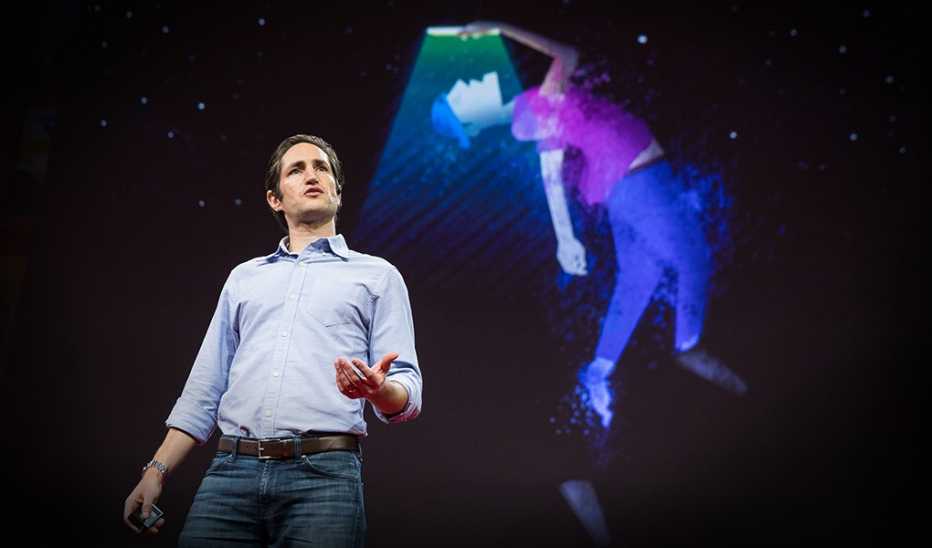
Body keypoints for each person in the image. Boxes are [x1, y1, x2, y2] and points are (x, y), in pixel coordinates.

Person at [434, 22, 745, 432]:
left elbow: (553, 165)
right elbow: (568, 57)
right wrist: (500, 27)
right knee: (693, 262)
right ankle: (689, 344)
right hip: (638, 180)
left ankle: (600, 367)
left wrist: (566, 238)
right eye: (461, 95)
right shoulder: (530, 111)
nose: (468, 82)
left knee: (637, 279)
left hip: (624, 185)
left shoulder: (527, 111)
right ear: (471, 121)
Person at [122, 134, 422, 547]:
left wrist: (379, 389)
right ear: (274, 199)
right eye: (295, 170)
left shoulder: (377, 276)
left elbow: (407, 394)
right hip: (230, 475)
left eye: (322, 168)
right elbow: (204, 390)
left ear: (337, 190)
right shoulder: (245, 277)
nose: (311, 175)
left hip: (324, 477)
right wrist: (155, 472)